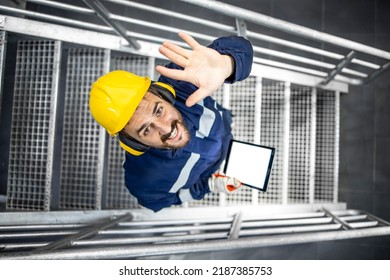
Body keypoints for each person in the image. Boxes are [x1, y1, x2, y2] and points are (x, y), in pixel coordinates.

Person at [90, 32, 253, 212]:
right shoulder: (144, 182)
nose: (167, 129)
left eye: (158, 110)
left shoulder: (182, 80)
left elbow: (241, 48)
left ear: (164, 93)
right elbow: (159, 201)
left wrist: (226, 65)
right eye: (146, 130)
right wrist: (209, 186)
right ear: (133, 143)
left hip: (224, 129)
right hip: (212, 172)